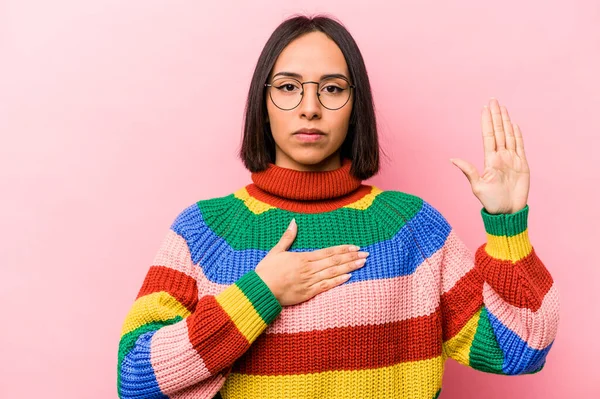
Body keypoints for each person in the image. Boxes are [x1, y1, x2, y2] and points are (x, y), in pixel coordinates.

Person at [116, 14, 559, 399]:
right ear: (262, 102)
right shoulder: (204, 230)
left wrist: (506, 226)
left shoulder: (411, 228)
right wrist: (260, 293)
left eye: (332, 88)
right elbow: (135, 376)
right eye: (289, 87)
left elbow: (522, 348)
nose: (310, 108)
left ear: (355, 106)